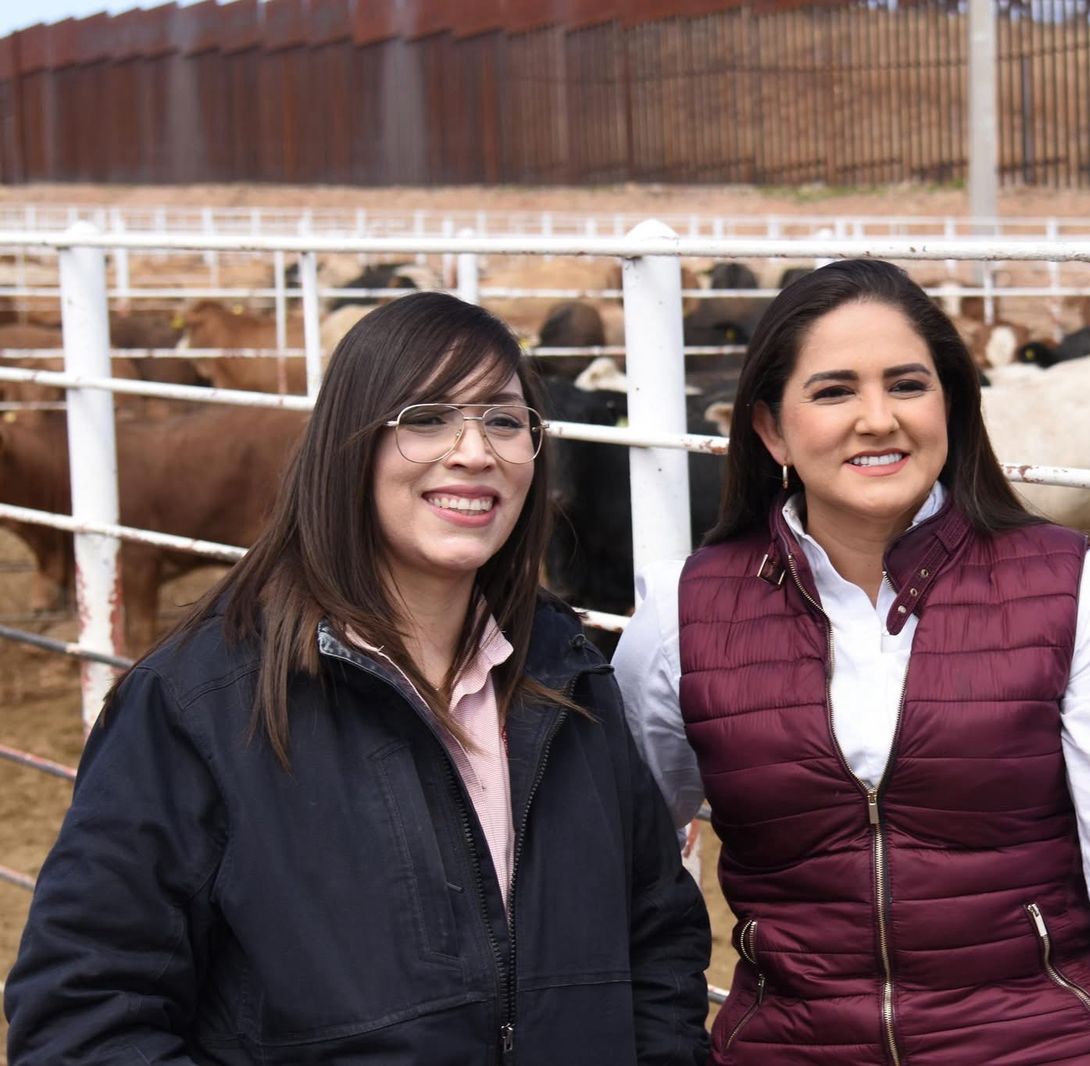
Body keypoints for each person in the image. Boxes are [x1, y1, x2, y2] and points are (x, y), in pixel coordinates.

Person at [6, 291, 711, 1065]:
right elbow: (83, 1017)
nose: (474, 451)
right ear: (350, 442)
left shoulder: (566, 670)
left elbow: (657, 938)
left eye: (505, 421)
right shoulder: (199, 702)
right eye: (427, 417)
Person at [615, 259, 1090, 1065]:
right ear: (770, 429)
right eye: (834, 392)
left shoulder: (1077, 592)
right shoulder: (681, 615)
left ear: (953, 404)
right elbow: (626, 860)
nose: (878, 419)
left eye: (908, 385)